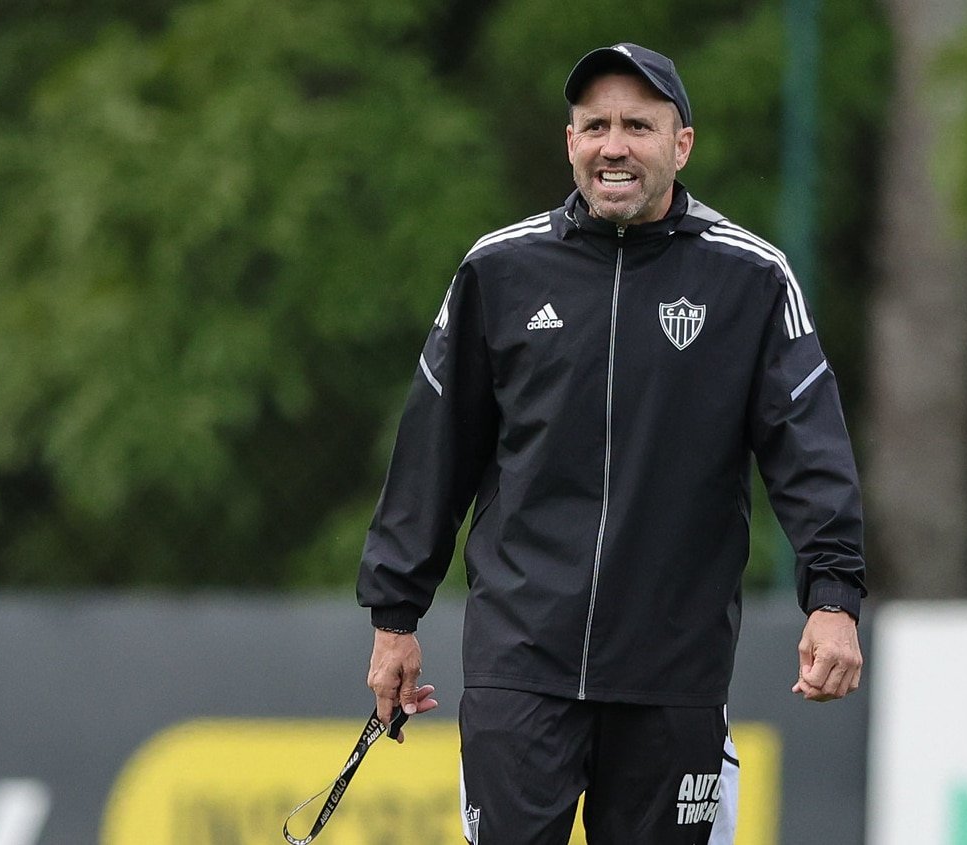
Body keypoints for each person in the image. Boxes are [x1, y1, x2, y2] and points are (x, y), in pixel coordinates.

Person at [358, 42, 868, 844]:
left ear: (680, 143)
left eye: (638, 124)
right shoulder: (501, 270)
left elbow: (810, 450)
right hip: (521, 661)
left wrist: (833, 599)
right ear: (570, 143)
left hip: (673, 666)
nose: (614, 145)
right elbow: (432, 453)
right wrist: (394, 617)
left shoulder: (751, 279)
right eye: (594, 125)